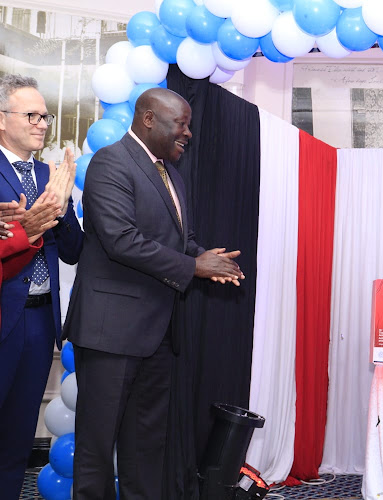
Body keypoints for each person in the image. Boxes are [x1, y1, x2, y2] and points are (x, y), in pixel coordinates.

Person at [64, 88, 244, 499]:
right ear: (148, 119)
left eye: (189, 126)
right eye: (180, 124)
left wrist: (207, 258)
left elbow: (182, 240)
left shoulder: (172, 175)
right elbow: (120, 240)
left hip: (159, 335)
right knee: (96, 450)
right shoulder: (111, 162)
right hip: (111, 335)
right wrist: (193, 266)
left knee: (145, 450)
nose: (188, 134)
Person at [0, 74, 82, 499]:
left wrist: (64, 209)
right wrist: (24, 226)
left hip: (40, 321)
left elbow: (73, 252)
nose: (42, 124)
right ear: (2, 118)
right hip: (3, 314)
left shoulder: (53, 175)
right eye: (31, 115)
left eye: (45, 116)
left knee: (17, 436)